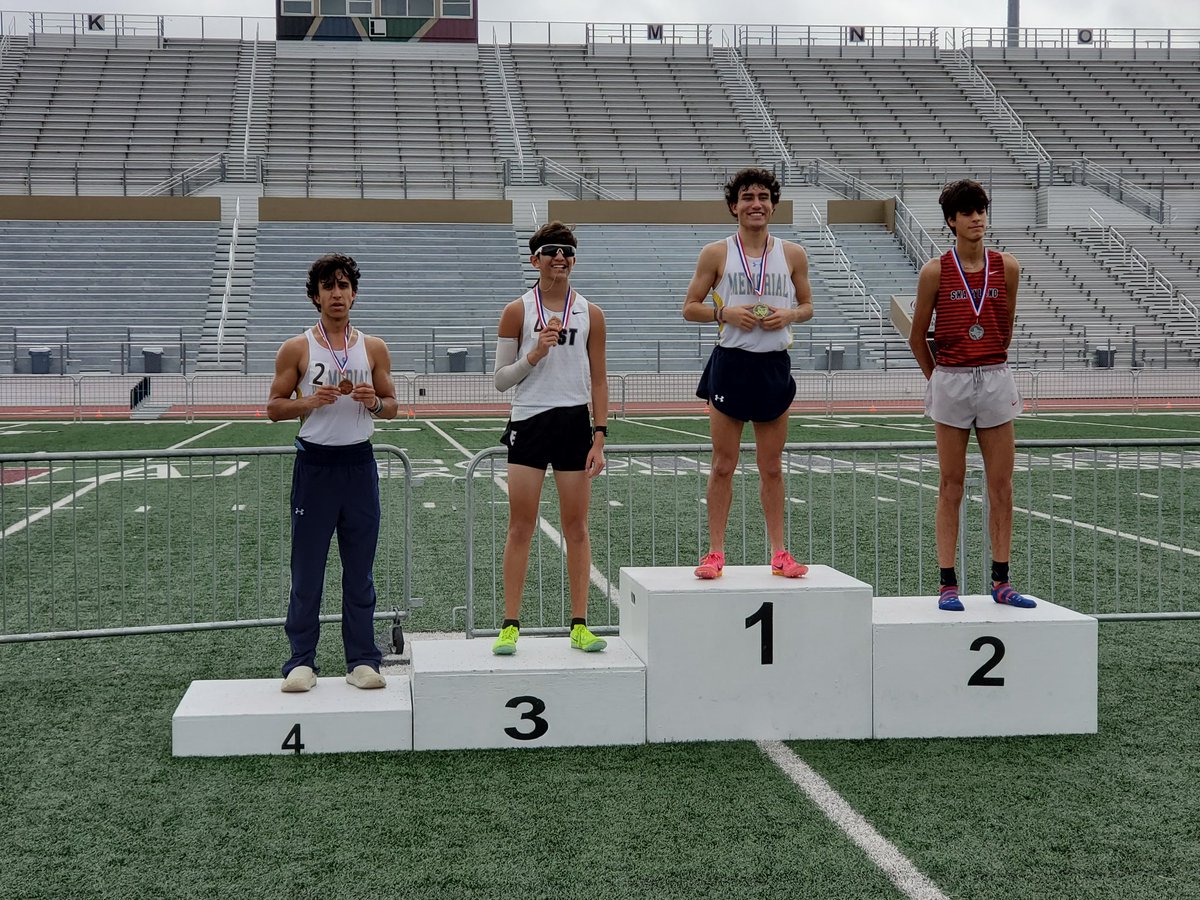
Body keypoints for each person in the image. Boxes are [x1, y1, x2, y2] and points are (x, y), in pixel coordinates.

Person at [267, 253, 399, 692]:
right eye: (328, 286)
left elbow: (393, 406)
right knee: (307, 571)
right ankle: (300, 661)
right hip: (316, 467)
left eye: (343, 286)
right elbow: (273, 408)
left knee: (359, 571)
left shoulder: (373, 347)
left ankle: (362, 659)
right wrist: (308, 402)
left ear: (354, 293)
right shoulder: (298, 347)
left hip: (359, 466)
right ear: (315, 296)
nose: (337, 294)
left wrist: (374, 403)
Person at [909, 179, 1036, 611]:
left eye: (981, 209)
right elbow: (916, 336)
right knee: (951, 484)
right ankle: (948, 583)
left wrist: (989, 359)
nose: (977, 218)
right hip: (952, 378)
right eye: (967, 212)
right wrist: (937, 379)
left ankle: (1001, 580)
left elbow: (1006, 323)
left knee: (1002, 485)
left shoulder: (1009, 267)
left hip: (996, 376)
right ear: (952, 221)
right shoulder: (935, 271)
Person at [683, 167, 814, 580]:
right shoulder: (716, 253)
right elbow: (689, 307)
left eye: (762, 196)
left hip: (773, 365)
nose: (755, 204)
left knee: (771, 466)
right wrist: (724, 313)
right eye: (747, 197)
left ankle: (779, 553)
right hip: (732, 364)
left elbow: (808, 306)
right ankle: (715, 553)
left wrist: (790, 314)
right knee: (723, 464)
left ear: (772, 205)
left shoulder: (792, 254)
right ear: (733, 206)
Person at [491, 221, 608, 655]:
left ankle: (579, 624)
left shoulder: (590, 312)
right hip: (529, 421)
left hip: (575, 423)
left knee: (577, 527)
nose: (560, 257)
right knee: (520, 526)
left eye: (567, 251)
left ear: (574, 259)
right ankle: (510, 624)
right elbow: (501, 380)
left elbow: (599, 378)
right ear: (534, 258)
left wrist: (599, 435)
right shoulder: (517, 311)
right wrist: (534, 354)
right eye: (551, 250)